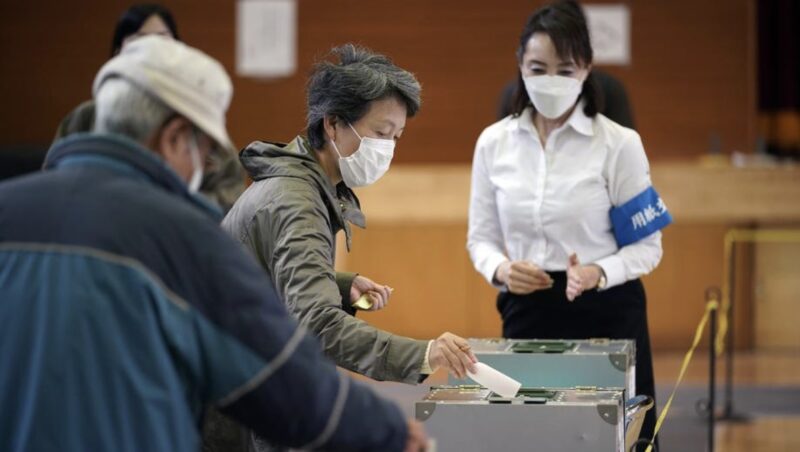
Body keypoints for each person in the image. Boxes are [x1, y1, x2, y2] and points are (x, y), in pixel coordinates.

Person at [0, 36, 427, 452]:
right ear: (173, 138)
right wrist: (384, 427)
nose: (204, 167)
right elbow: (278, 375)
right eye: (204, 150)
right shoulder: (180, 236)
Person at [466, 1, 672, 450]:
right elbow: (480, 239)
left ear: (587, 70)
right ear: (520, 64)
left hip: (608, 308)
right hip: (528, 308)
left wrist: (598, 272)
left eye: (566, 69)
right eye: (538, 68)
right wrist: (501, 269)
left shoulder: (619, 144)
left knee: (619, 439)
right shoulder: (494, 143)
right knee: (532, 436)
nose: (551, 81)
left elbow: (648, 247)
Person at [52, 3, 244, 212]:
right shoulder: (85, 117)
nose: (153, 49)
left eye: (163, 40)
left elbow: (229, 193)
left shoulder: (200, 122)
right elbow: (56, 180)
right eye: (139, 40)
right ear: (118, 52)